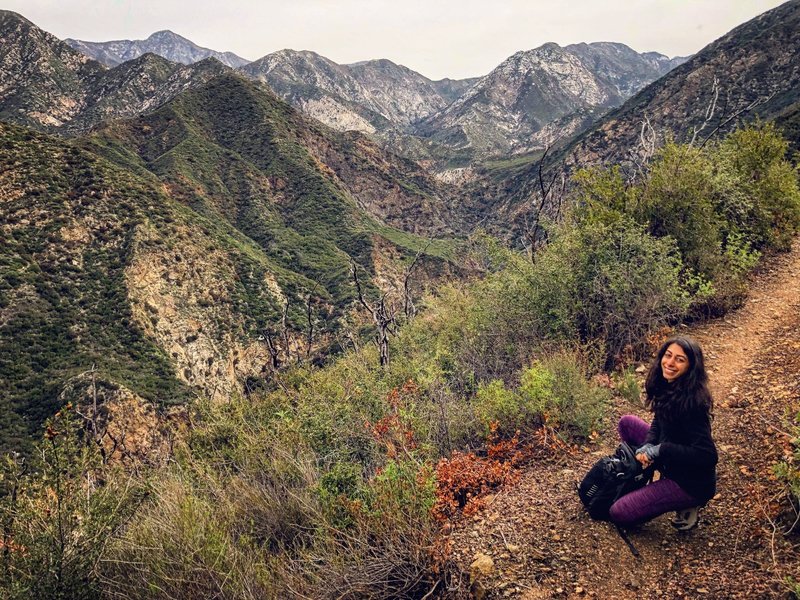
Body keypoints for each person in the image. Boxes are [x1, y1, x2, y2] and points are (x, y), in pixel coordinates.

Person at [609, 336, 718, 530]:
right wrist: (648, 445)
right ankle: (642, 476)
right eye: (668, 356)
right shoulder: (669, 385)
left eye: (680, 359)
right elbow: (659, 422)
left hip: (689, 482)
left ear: (690, 367)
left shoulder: (693, 403)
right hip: (670, 461)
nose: (670, 363)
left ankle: (688, 503)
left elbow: (708, 456)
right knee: (628, 423)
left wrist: (661, 450)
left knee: (619, 513)